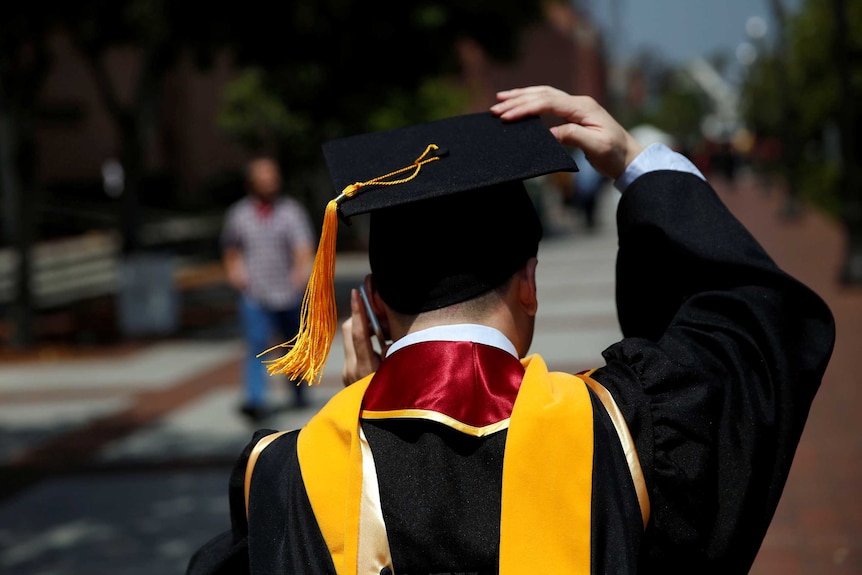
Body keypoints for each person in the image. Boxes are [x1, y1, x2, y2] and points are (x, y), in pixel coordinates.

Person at [188, 86, 834, 574]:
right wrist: (639, 165)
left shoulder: (285, 473)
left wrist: (357, 415)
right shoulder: (623, 431)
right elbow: (754, 321)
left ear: (371, 307)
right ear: (529, 282)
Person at [221, 155, 315, 420]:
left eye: (273, 176)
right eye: (263, 177)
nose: (269, 181)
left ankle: (298, 392)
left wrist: (300, 273)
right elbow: (231, 246)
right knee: (256, 344)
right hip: (255, 293)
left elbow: (303, 246)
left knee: (292, 345)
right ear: (252, 181)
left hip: (287, 291)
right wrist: (234, 271)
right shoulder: (239, 213)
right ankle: (254, 400)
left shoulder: (291, 211)